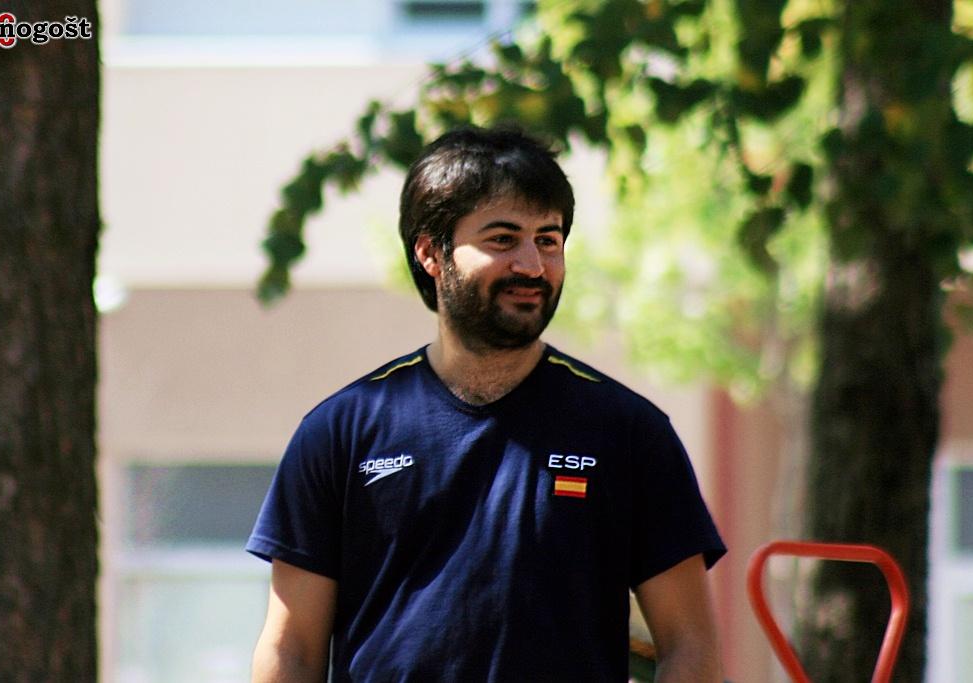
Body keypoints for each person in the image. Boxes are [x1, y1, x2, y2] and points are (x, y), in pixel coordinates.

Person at [247, 126, 726, 682]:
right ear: (431, 252)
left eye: (548, 240)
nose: (533, 265)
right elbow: (291, 651)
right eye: (503, 239)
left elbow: (691, 647)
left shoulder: (630, 432)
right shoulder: (339, 432)